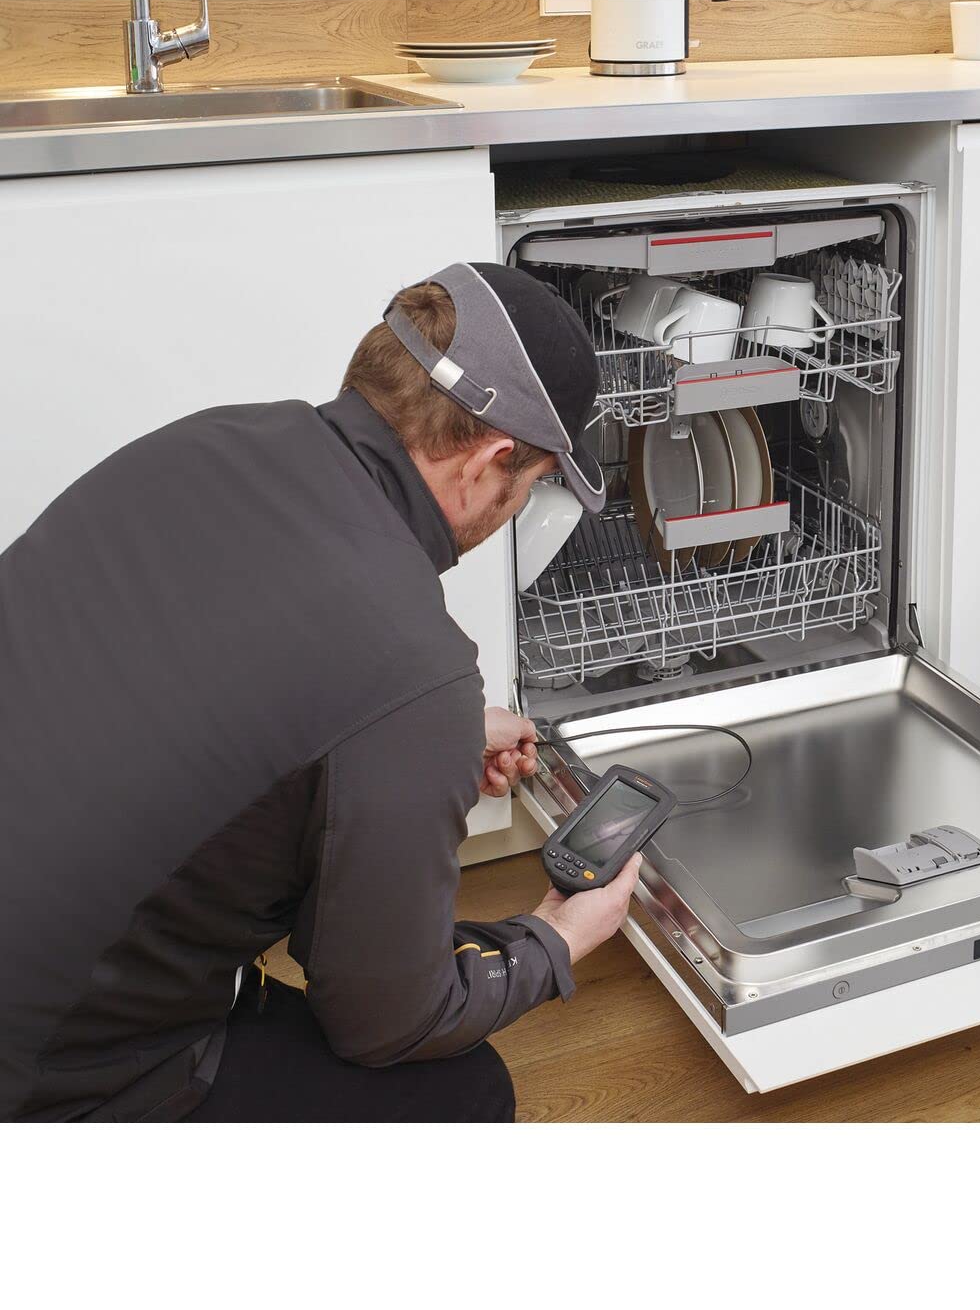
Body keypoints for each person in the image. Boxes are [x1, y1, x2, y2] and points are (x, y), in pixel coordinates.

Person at [0, 261, 637, 1122]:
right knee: (465, 1096)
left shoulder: (212, 437)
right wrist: (555, 940)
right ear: (490, 462)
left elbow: (219, 688)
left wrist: (425, 745)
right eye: (532, 486)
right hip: (47, 1078)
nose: (521, 504)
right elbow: (387, 1022)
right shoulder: (412, 671)